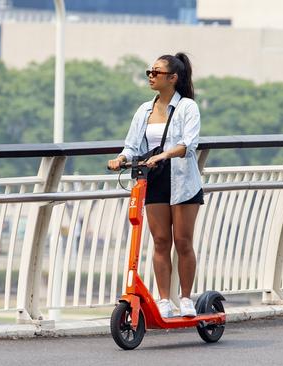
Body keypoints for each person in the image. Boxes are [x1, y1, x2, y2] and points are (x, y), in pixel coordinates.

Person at [108, 52, 203, 318]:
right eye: (149, 72)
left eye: (156, 72)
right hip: (155, 178)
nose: (150, 76)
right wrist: (120, 158)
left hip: (183, 180)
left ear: (172, 78)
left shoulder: (187, 107)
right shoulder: (144, 110)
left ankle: (185, 298)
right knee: (160, 241)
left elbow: (188, 145)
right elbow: (132, 145)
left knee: (183, 242)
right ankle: (163, 299)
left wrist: (162, 154)